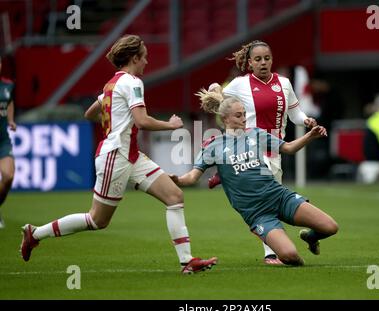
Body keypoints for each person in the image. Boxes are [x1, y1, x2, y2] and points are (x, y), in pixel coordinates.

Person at [19, 35, 217, 274]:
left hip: (130, 154)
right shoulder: (133, 83)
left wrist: (113, 122)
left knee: (174, 196)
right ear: (134, 58)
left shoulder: (111, 84)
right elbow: (142, 121)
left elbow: (90, 113)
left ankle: (187, 262)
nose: (146, 62)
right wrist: (171, 125)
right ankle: (36, 233)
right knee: (97, 220)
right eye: (144, 57)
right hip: (116, 155)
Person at [170, 97, 338, 266]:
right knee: (290, 255)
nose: (243, 118)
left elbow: (288, 148)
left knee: (330, 227)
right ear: (225, 119)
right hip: (257, 213)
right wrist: (178, 179)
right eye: (238, 115)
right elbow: (192, 177)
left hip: (278, 196)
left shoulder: (255, 133)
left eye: (244, 114)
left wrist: (310, 135)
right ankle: (295, 262)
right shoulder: (213, 146)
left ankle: (310, 237)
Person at [200, 40, 318, 264]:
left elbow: (295, 113)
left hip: (275, 150)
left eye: (267, 58)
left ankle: (226, 175)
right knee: (266, 200)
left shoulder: (283, 83)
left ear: (272, 60)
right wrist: (215, 87)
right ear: (249, 63)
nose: (263, 63)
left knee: (270, 197)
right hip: (251, 149)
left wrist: (306, 120)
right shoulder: (240, 84)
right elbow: (220, 95)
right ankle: (270, 254)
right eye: (258, 59)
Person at [0, 55, 16, 228]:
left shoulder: (7, 85)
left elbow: (9, 102)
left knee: (8, 176)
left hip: (2, 139)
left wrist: (11, 120)